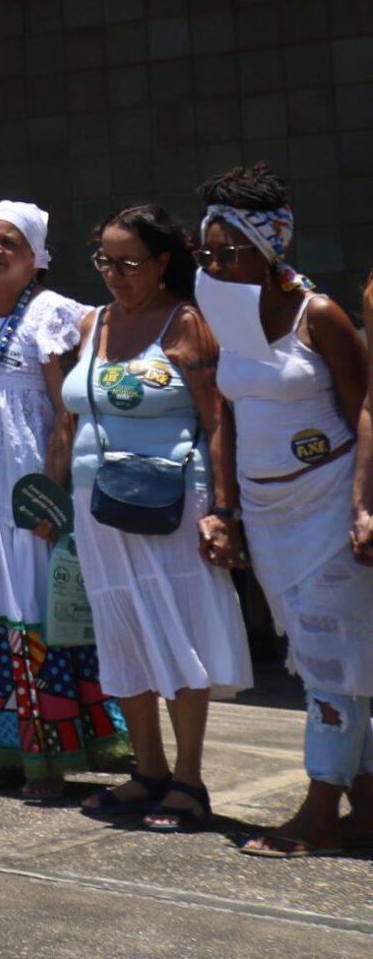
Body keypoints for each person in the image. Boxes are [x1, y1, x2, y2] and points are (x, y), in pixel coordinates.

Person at [187, 166, 373, 854]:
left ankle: (319, 811)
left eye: (227, 252)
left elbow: (367, 411)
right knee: (324, 660)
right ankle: (367, 804)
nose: (213, 265)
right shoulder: (227, 319)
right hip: (268, 514)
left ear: (267, 248)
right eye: (206, 253)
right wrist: (227, 510)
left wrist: (365, 506)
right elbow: (227, 420)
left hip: (327, 506)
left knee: (331, 661)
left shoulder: (317, 315)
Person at [49, 205, 252, 833]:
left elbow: (217, 420)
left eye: (129, 263)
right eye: (104, 262)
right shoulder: (94, 321)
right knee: (122, 630)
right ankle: (149, 771)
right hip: (99, 503)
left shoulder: (187, 322)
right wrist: (51, 495)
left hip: (172, 502)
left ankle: (189, 780)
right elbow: (69, 417)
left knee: (176, 626)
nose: (115, 274)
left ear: (163, 261)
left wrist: (224, 510)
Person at [0, 201, 123, 799]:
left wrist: (49, 494)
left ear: (35, 254)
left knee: (32, 616)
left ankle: (50, 757)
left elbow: (65, 413)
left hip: (25, 497)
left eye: (8, 242)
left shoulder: (49, 313)